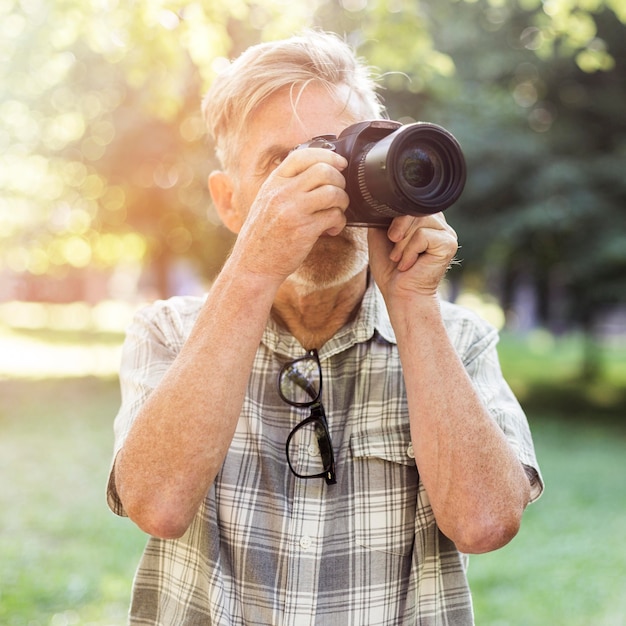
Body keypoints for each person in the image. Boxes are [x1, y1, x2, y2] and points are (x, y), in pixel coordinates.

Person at [107, 30, 543, 625]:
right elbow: (155, 505)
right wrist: (255, 269)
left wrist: (412, 306)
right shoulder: (168, 333)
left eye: (342, 154)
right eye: (283, 165)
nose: (324, 188)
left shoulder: (456, 338)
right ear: (230, 202)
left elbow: (485, 524)